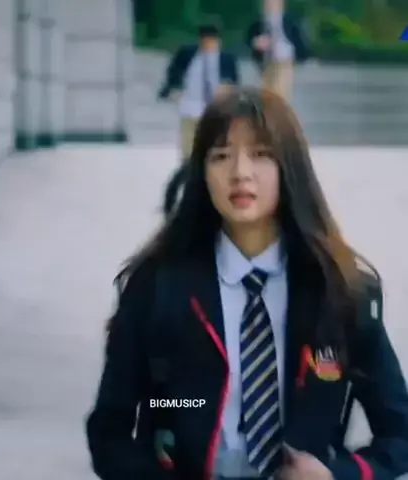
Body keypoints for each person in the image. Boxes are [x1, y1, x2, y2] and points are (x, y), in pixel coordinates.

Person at [85, 87, 408, 480]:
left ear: (289, 167)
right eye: (221, 156)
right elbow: (110, 430)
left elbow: (400, 434)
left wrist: (335, 475)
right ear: (201, 173)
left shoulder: (340, 290)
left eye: (261, 154)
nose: (240, 172)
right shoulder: (157, 285)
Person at [158, 22, 240, 216]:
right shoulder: (188, 55)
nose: (208, 45)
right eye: (205, 41)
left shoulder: (226, 59)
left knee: (213, 155)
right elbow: (173, 73)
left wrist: (227, 89)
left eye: (212, 41)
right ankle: (181, 198)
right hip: (190, 111)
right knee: (189, 158)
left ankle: (212, 196)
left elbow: (235, 83)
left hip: (215, 114)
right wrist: (174, 89)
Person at [245, 0, 309, 99]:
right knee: (266, 92)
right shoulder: (259, 21)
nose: (271, 5)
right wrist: (256, 42)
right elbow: (249, 38)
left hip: (284, 60)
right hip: (265, 61)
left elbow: (298, 39)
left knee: (280, 92)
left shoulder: (290, 20)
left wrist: (301, 55)